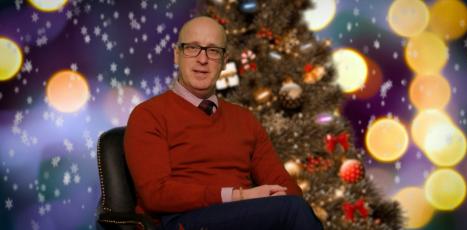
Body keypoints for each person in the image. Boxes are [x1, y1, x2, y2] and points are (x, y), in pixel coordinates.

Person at [124, 16, 324, 230]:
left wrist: (279, 198)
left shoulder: (244, 119)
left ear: (223, 61)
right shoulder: (148, 115)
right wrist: (237, 196)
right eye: (192, 48)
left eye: (213, 51)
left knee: (293, 206)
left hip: (241, 218)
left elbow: (285, 185)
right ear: (176, 55)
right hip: (180, 220)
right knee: (291, 210)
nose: (202, 60)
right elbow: (156, 194)